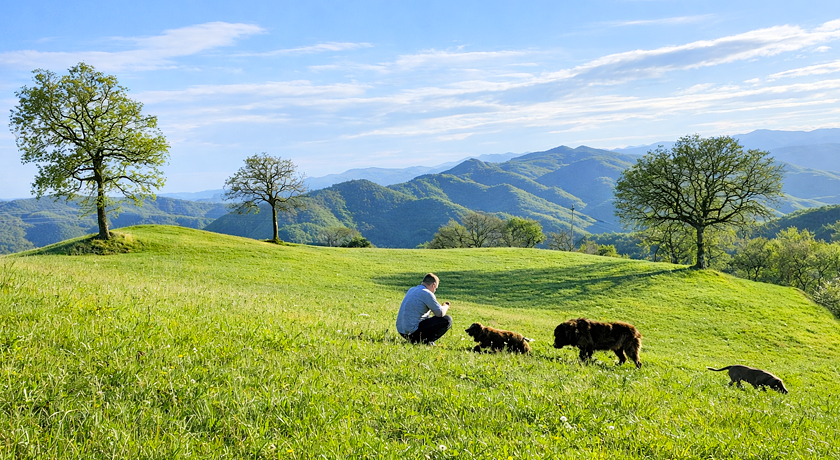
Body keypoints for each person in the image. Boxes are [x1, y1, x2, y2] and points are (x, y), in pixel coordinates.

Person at [395, 273, 453, 345]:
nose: (434, 291)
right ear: (433, 285)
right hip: (414, 332)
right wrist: (446, 306)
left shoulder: (411, 290)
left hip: (402, 332)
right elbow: (440, 313)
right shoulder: (427, 293)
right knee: (447, 319)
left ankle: (420, 340)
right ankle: (428, 341)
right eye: (436, 288)